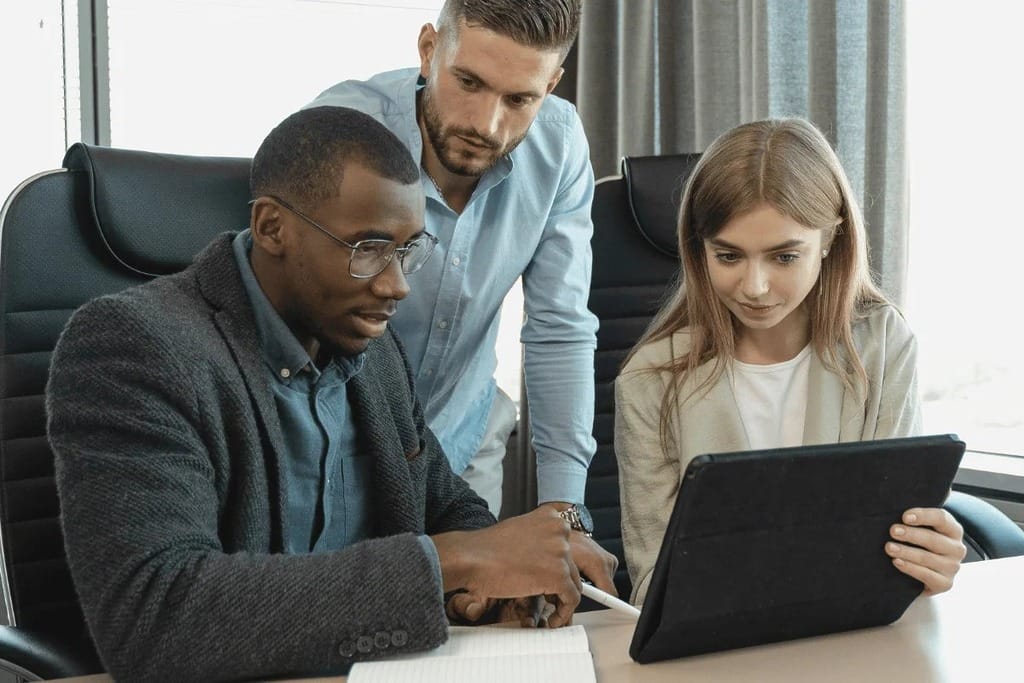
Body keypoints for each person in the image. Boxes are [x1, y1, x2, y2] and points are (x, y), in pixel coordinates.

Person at [46, 106, 584, 683]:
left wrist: (499, 580)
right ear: (272, 227)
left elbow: (442, 503)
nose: (396, 284)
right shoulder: (135, 348)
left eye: (407, 250)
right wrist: (455, 562)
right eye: (369, 249)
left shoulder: (369, 348)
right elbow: (157, 616)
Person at [304, 1, 615, 588]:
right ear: (428, 48)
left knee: (473, 645)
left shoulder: (560, 146)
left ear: (549, 85)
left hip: (462, 449)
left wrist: (563, 511)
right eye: (468, 82)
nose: (486, 124)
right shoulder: (342, 127)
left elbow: (560, 327)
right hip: (335, 447)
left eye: (519, 99)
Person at [614, 117, 967, 606]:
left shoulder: (883, 345)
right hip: (717, 650)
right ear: (700, 250)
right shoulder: (649, 380)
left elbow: (896, 538)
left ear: (829, 240)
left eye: (783, 257)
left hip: (853, 639)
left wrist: (927, 560)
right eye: (729, 256)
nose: (754, 287)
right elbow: (657, 583)